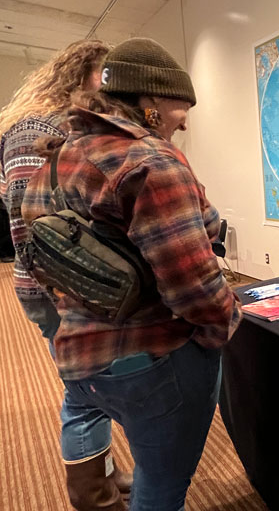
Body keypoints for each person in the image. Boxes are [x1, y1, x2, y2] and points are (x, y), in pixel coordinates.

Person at [20, 37, 242, 511]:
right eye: (182, 107)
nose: (186, 120)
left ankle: (93, 498)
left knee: (81, 416)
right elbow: (196, 290)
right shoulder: (152, 161)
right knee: (161, 488)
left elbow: (37, 261)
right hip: (156, 359)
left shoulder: (51, 166)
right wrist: (224, 328)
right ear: (152, 104)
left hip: (79, 357)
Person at [0, 39, 137, 510]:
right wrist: (65, 287)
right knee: (87, 392)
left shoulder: (54, 126)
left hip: (63, 284)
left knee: (89, 387)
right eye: (105, 76)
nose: (110, 87)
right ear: (83, 74)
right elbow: (31, 224)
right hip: (60, 286)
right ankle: (95, 497)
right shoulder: (38, 128)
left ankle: (106, 475)